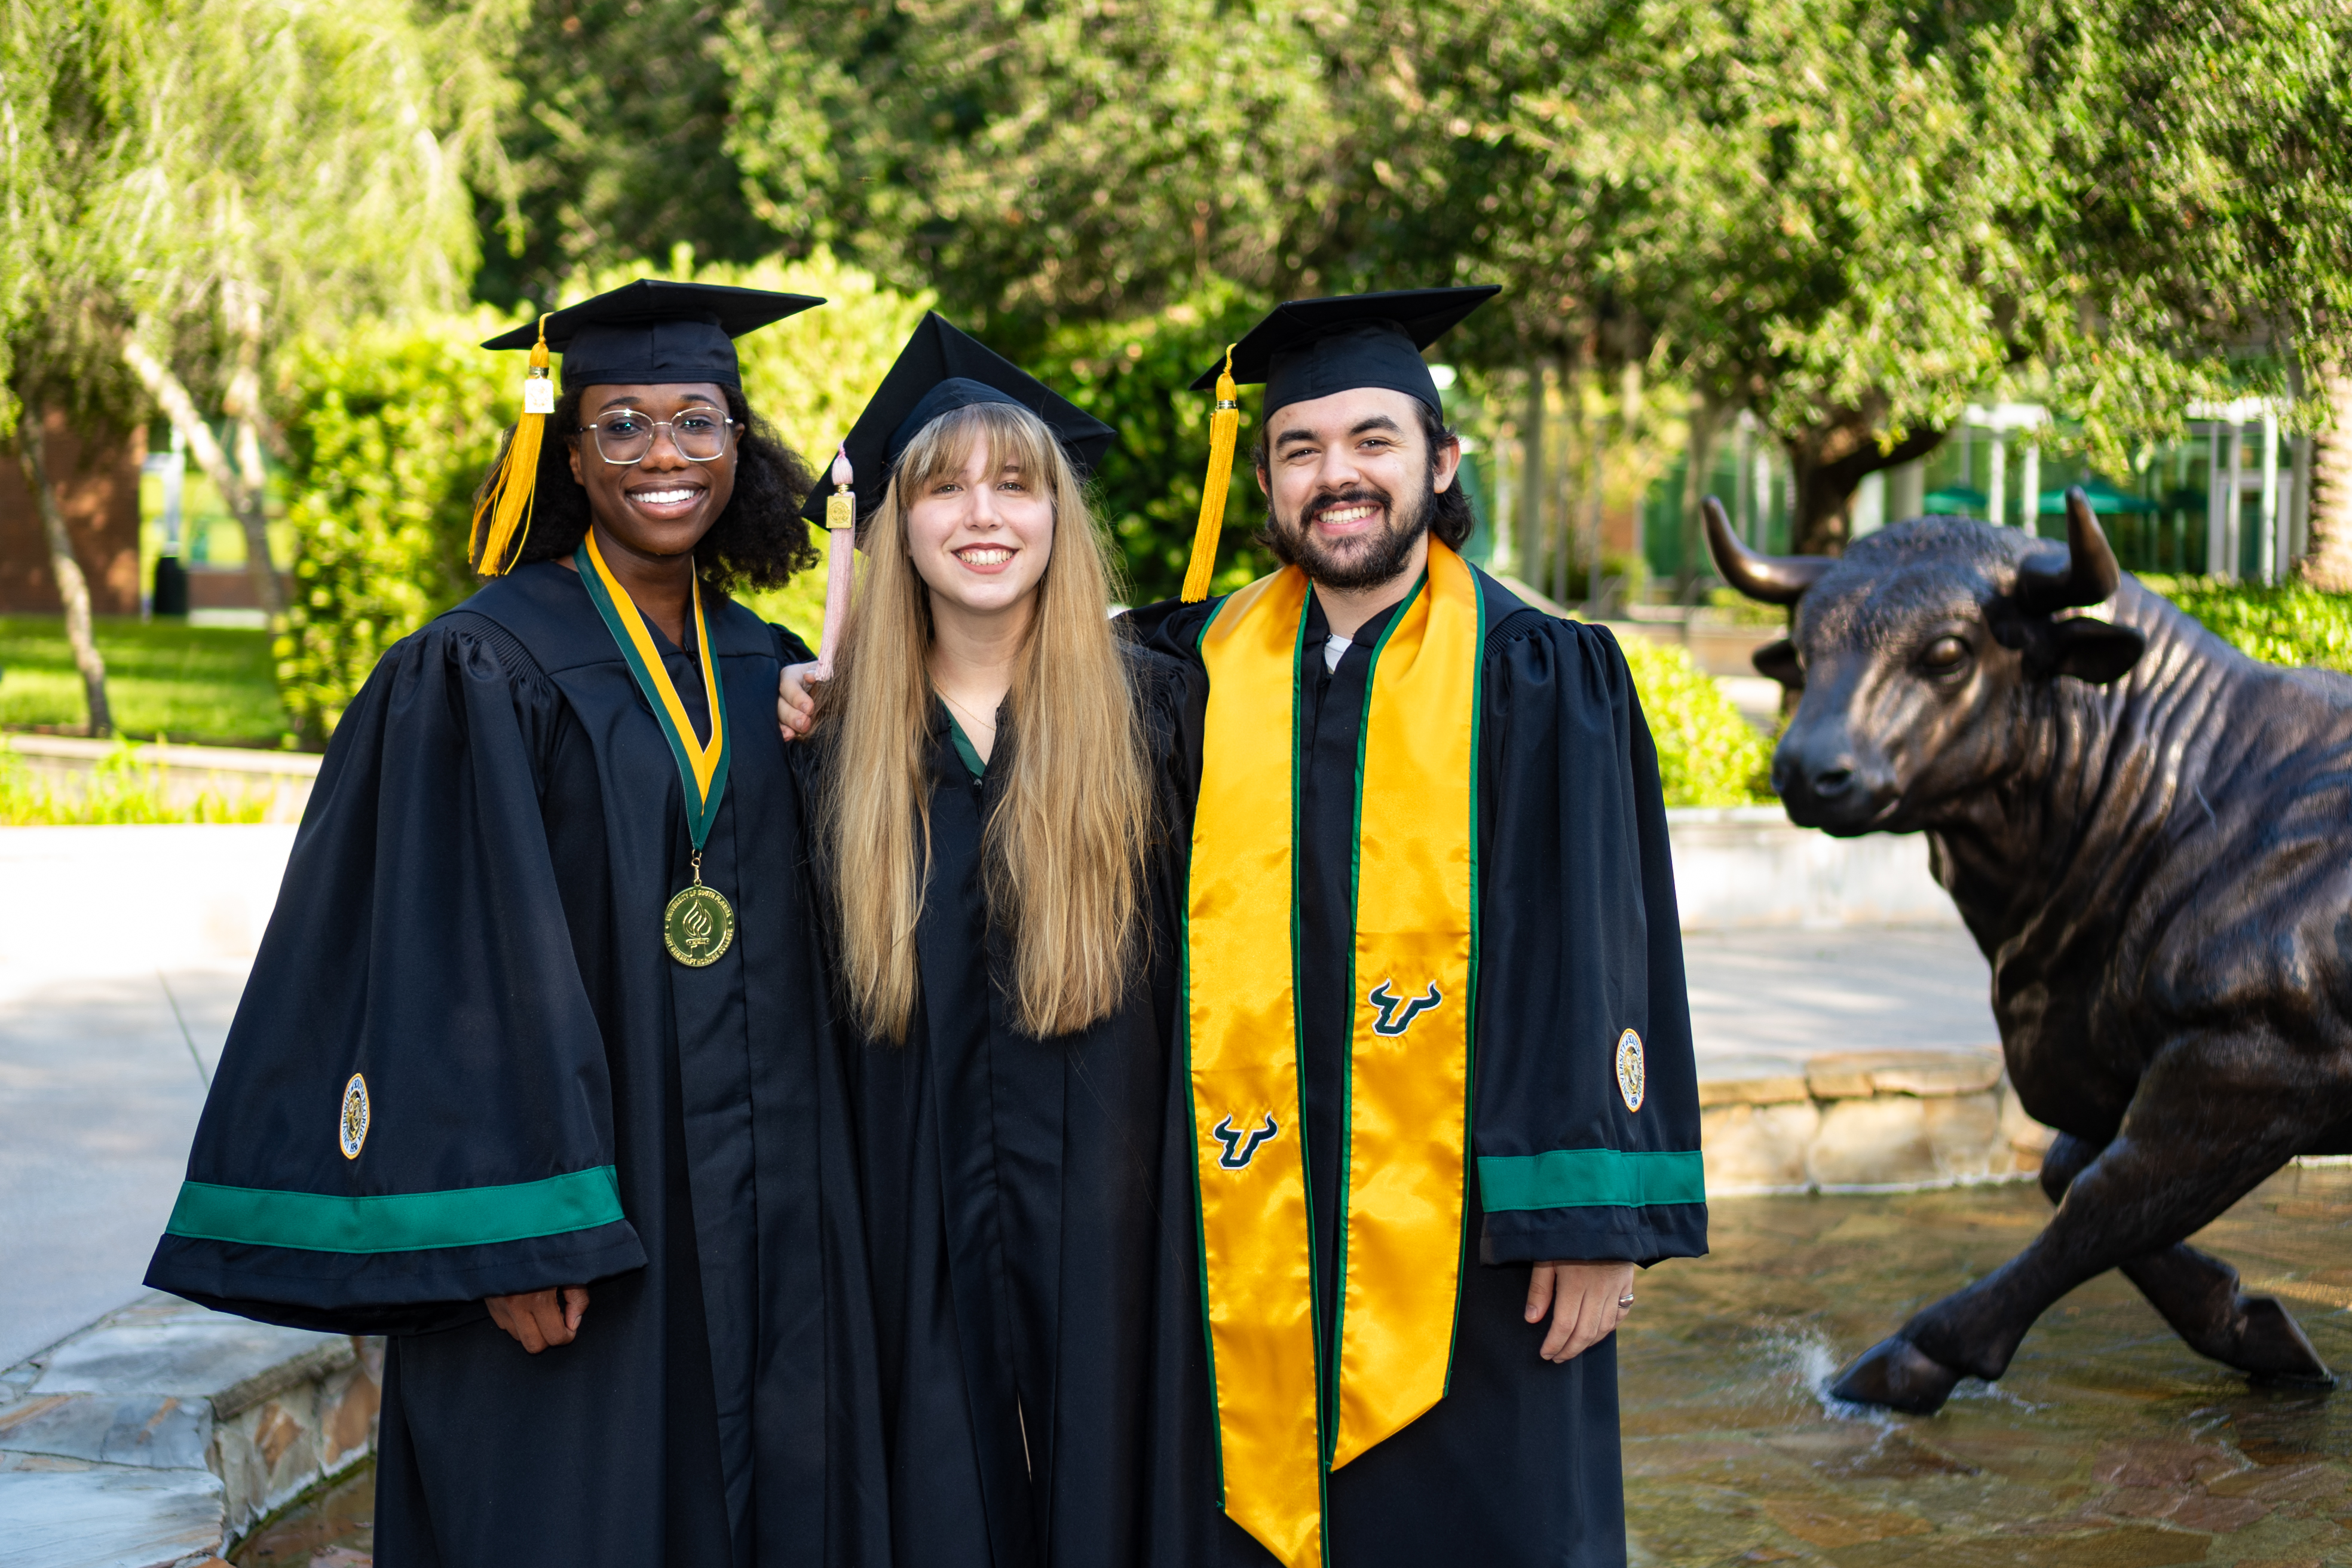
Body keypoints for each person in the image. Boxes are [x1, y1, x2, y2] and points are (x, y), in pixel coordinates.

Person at [145, 280, 887, 1567]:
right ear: (566, 450)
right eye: (623, 425)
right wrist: (507, 1234)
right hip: (588, 1214)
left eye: (698, 421)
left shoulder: (773, 663)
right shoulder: (479, 664)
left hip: (774, 1210)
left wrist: (843, 756)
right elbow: (438, 963)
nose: (666, 454)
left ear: (740, 444)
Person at [1126, 287, 1708, 1568]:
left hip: (1475, 1247)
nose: (1339, 476)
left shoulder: (1543, 672)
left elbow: (1602, 948)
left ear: (1439, 462)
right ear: (1269, 481)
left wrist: (1595, 1215)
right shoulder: (1196, 667)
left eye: (1372, 441)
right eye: (1301, 449)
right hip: (1249, 1212)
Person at [785, 313, 1215, 1566]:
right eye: (945, 488)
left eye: (1018, 484)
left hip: (1120, 1233)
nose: (984, 515)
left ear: (1058, 520)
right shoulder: (824, 757)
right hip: (903, 1226)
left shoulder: (1162, 719)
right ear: (896, 528)